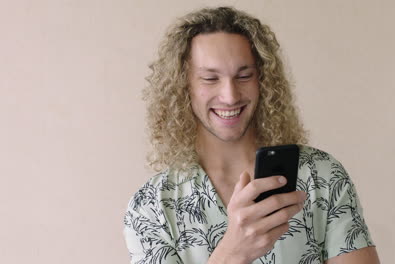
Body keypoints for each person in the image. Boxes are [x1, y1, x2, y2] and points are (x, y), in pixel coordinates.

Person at [124, 6, 380, 264]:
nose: (230, 95)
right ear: (183, 86)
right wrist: (233, 253)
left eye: (244, 76)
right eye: (210, 79)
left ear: (263, 81)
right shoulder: (151, 207)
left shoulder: (321, 177)